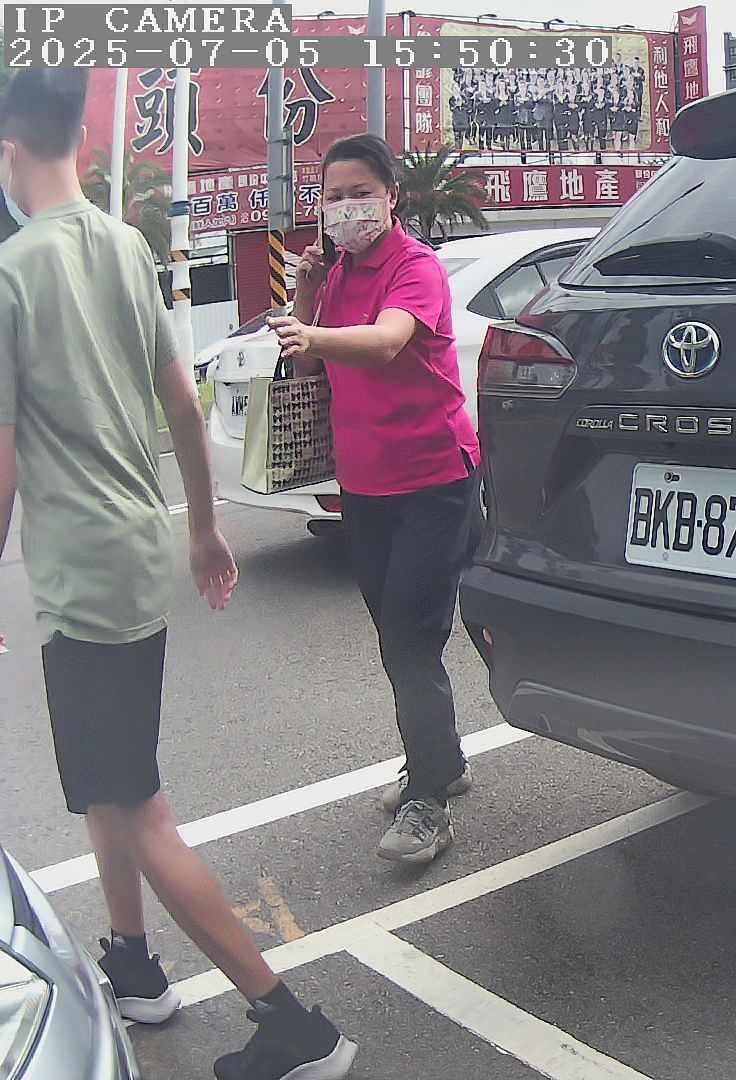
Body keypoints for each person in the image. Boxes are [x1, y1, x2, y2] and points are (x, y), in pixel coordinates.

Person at [0, 70, 357, 1080]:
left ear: (8, 153)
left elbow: (4, 451)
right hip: (137, 554)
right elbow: (185, 406)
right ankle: (132, 963)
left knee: (139, 807)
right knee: (106, 786)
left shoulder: (12, 273)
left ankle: (295, 1026)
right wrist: (202, 529)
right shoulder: (126, 246)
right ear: (79, 141)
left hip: (83, 578)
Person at [269, 134, 480, 865]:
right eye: (333, 197)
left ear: (392, 196)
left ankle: (429, 799)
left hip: (432, 482)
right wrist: (305, 293)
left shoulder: (413, 267)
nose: (346, 208)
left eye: (360, 193)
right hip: (365, 487)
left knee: (411, 640)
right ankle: (440, 760)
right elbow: (307, 358)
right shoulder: (337, 274)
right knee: (396, 636)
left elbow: (389, 341)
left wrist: (313, 331)